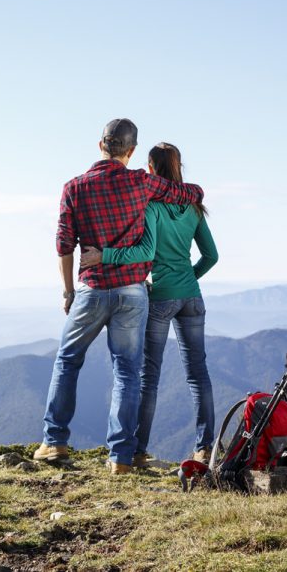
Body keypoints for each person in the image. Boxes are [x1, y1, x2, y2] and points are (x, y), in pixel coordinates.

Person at [35, 121, 204, 475]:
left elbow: (64, 245)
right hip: (133, 291)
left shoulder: (74, 188)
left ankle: (54, 442)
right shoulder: (141, 182)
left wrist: (68, 291)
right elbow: (191, 193)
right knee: (127, 372)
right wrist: (191, 193)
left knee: (67, 359)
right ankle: (121, 459)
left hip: (92, 289)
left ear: (100, 145)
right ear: (131, 151)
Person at [80, 142, 218, 468]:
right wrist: (188, 279)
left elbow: (145, 251)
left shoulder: (151, 207)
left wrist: (105, 255)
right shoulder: (195, 208)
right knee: (199, 375)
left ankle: (138, 451)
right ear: (179, 166)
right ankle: (205, 448)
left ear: (152, 170)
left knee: (149, 378)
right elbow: (211, 256)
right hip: (192, 298)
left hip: (160, 299)